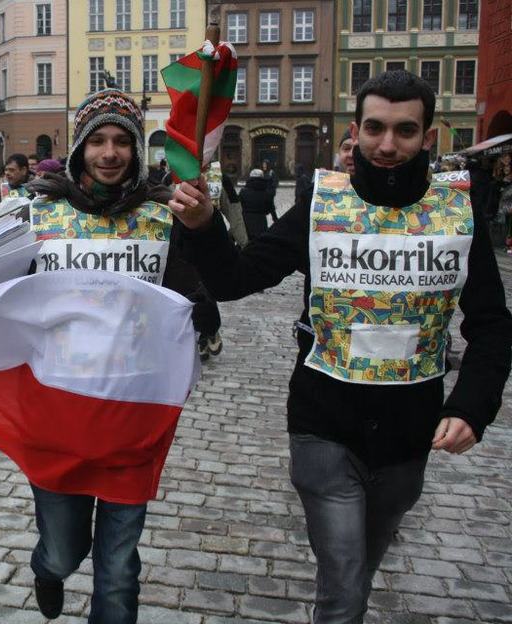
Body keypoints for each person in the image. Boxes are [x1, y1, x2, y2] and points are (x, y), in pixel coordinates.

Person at [170, 70, 512, 623]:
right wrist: (206, 225)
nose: (387, 144)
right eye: (375, 128)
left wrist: (472, 405)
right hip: (323, 423)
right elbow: (236, 278)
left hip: (409, 430)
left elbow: (492, 324)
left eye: (405, 131)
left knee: (361, 567)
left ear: (428, 137)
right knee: (344, 586)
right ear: (356, 129)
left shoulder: (457, 215)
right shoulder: (321, 206)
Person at [19, 88, 214, 624]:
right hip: (59, 409)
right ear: (80, 147)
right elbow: (0, 288)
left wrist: (202, 305)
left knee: (120, 564)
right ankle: (47, 567)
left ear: (135, 149)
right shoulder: (40, 214)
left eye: (122, 141)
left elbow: (186, 284)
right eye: (98, 140)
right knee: (64, 550)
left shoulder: (159, 215)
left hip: (133, 410)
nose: (110, 153)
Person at [238, 169, 273, 240]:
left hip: (246, 221)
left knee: (246, 241)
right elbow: (270, 208)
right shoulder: (266, 193)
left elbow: (239, 206)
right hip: (261, 221)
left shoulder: (243, 192)